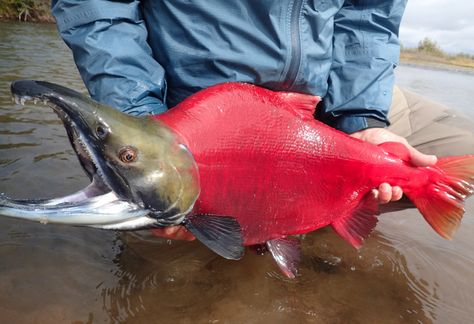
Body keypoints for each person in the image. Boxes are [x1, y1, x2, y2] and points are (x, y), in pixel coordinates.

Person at [51, 1, 474, 240]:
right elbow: (97, 9)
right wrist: (148, 131)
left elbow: (368, 16)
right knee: (160, 221)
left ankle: (316, 212)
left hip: (332, 92)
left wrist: (362, 118)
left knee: (453, 158)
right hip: (190, 108)